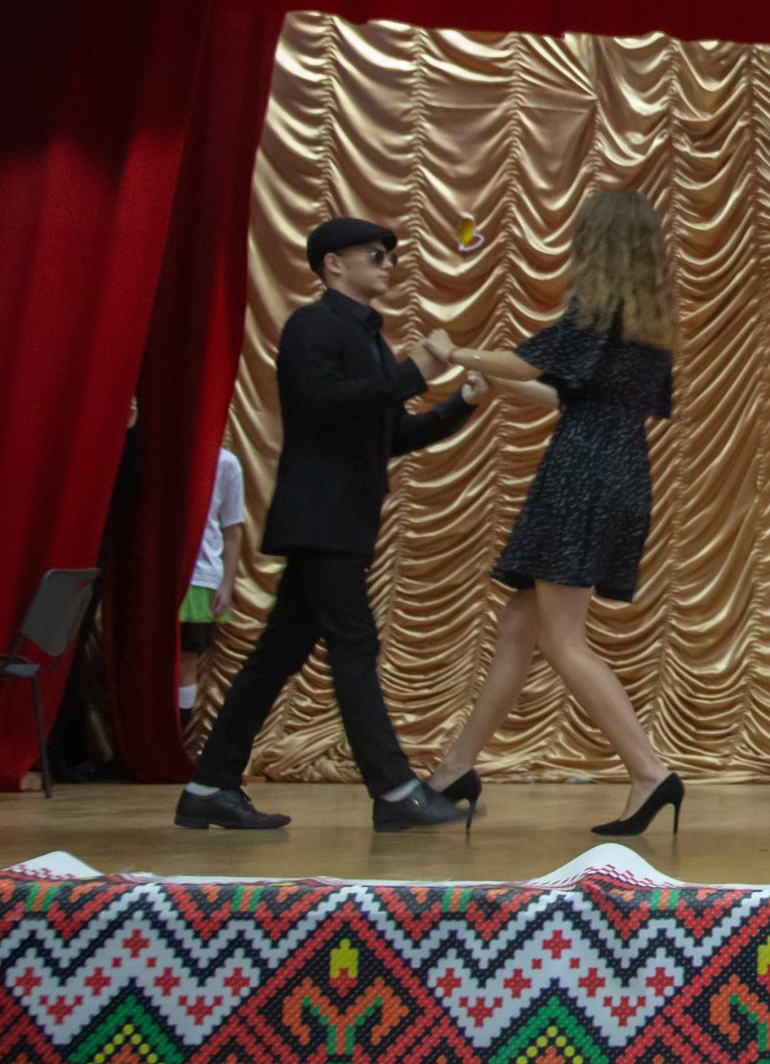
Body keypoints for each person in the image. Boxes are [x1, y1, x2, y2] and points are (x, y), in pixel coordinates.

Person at [176, 218, 486, 833]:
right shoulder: (312, 326)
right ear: (333, 265)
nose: (387, 265)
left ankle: (207, 787)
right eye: (375, 255)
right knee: (354, 645)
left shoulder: (369, 341)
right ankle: (395, 792)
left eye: (389, 256)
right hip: (321, 519)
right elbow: (325, 402)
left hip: (339, 521)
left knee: (276, 656)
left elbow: (389, 433)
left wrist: (460, 405)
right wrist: (415, 370)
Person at [424, 191, 685, 837]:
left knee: (564, 640)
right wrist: (492, 378)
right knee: (520, 626)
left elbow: (527, 360)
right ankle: (454, 769)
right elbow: (562, 392)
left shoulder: (597, 312)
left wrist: (456, 353)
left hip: (580, 477)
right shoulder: (644, 320)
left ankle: (650, 772)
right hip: (618, 470)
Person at [177, 447, 247, 720]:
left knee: (186, 658)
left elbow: (232, 531)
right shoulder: (166, 449)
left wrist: (227, 584)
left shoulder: (227, 463)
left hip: (200, 576)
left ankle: (178, 734)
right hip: (160, 573)